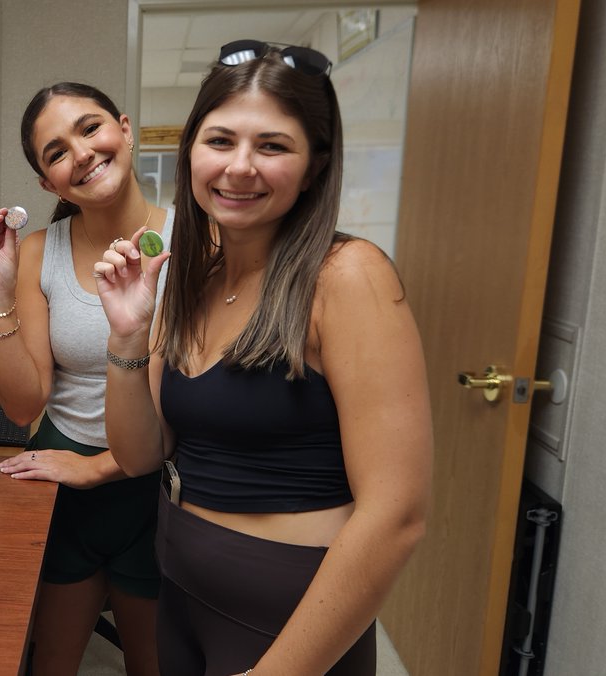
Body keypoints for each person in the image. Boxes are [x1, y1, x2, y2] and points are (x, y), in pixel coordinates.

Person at [93, 41, 433, 675]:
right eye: (220, 140)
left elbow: (398, 515)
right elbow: (142, 454)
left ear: (313, 166)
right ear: (190, 149)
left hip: (287, 628)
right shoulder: (192, 278)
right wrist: (126, 340)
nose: (240, 167)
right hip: (182, 594)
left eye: (272, 146)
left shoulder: (346, 277)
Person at [0, 82, 172, 676]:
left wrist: (97, 467)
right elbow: (24, 399)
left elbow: (171, 407)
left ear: (126, 129)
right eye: (56, 152)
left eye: (90, 129)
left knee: (152, 662)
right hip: (59, 478)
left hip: (153, 484)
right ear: (47, 183)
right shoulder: (39, 251)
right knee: (50, 661)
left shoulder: (194, 242)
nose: (81, 153)